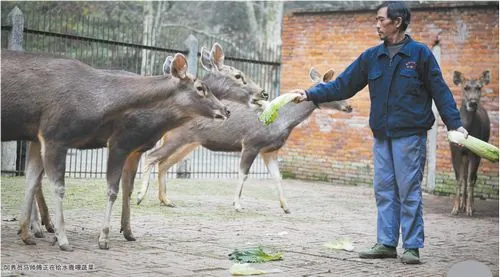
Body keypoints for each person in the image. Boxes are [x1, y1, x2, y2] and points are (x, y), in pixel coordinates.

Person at [293, 1, 468, 264]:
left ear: (397, 22)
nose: (377, 24)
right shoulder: (371, 57)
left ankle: (411, 246)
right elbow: (343, 85)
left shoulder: (419, 55)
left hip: (410, 135)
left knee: (408, 190)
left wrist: (455, 125)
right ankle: (386, 243)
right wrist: (309, 93)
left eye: (380, 19)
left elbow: (440, 92)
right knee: (384, 189)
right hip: (382, 135)